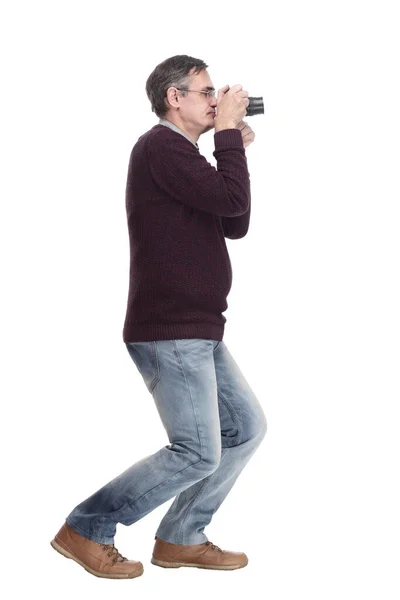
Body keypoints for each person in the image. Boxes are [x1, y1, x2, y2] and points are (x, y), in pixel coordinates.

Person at [50, 54, 267, 579]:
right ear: (176, 98)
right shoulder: (159, 147)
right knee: (196, 451)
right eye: (207, 91)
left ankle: (181, 537)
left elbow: (234, 220)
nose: (217, 101)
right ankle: (87, 527)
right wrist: (230, 138)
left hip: (200, 328)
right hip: (170, 329)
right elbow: (231, 198)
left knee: (246, 429)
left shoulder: (185, 157)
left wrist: (230, 144)